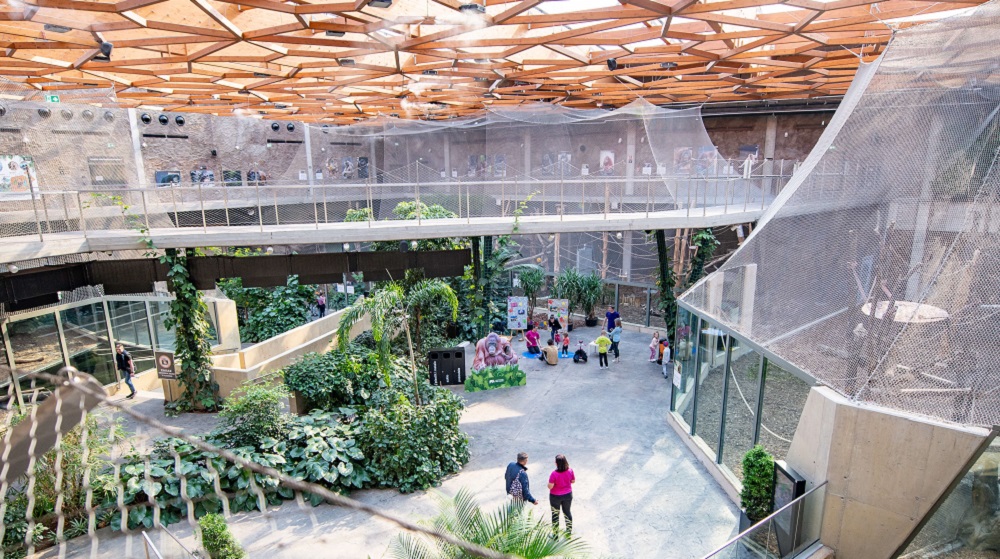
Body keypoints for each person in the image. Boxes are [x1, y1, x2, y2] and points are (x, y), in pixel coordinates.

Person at [547, 454, 575, 537]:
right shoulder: (570, 470)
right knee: (567, 513)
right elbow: (573, 481)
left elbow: (550, 486)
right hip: (568, 495)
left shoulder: (554, 474)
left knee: (555, 515)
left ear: (556, 463)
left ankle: (555, 535)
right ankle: (568, 533)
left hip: (555, 496)